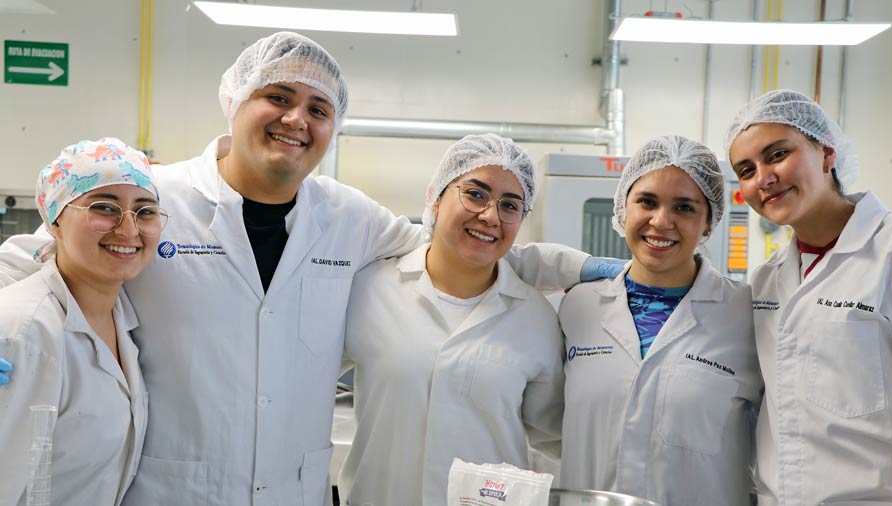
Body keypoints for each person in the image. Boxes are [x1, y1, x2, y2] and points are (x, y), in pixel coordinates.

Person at [0, 32, 620, 505]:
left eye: (318, 108)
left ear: (333, 127)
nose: (297, 119)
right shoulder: (152, 199)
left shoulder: (349, 217)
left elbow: (456, 242)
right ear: (235, 101)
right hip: (172, 485)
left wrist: (583, 265)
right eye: (278, 97)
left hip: (292, 486)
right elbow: (40, 251)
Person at [338, 134, 564, 506]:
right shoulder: (369, 289)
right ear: (436, 199)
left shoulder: (536, 316)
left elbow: (554, 437)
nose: (490, 216)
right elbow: (303, 385)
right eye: (475, 194)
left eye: (510, 205)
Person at [557, 135, 763, 505]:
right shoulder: (578, 308)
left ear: (708, 223)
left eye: (684, 208)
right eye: (647, 202)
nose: (661, 221)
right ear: (623, 209)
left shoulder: (747, 315)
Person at [725, 89, 892, 504]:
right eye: (746, 170)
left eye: (777, 154)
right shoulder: (767, 281)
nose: (763, 178)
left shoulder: (891, 253)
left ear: (826, 153)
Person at [0, 138, 165, 504]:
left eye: (146, 211)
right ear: (54, 222)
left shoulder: (120, 321)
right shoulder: (23, 333)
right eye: (104, 208)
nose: (128, 230)